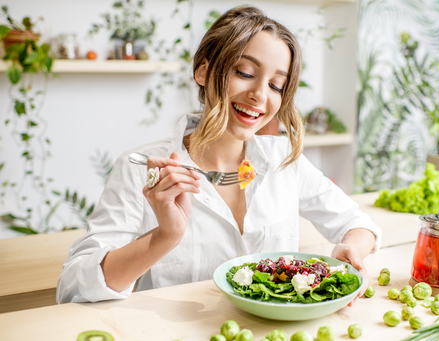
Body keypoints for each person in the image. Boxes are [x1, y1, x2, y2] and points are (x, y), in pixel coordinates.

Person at [56, 6, 381, 304]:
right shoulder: (141, 167)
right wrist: (164, 236)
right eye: (244, 72)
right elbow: (73, 288)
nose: (259, 95)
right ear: (203, 72)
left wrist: (351, 250)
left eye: (276, 85)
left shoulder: (284, 159)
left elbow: (357, 224)